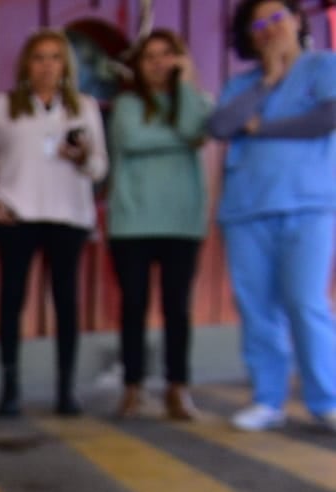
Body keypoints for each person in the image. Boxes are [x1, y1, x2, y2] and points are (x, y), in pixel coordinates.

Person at [207, 0, 336, 432]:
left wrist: (262, 128)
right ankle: (268, 399)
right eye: (258, 24)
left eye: (277, 18)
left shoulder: (323, 66)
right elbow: (222, 125)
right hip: (245, 209)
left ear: (298, 21)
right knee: (258, 309)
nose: (268, 29)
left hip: (309, 203)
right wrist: (269, 82)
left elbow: (327, 116)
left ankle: (326, 399)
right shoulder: (242, 84)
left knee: (305, 301)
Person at [0, 28, 109, 417]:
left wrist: (81, 158)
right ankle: (10, 387)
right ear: (27, 64)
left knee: (66, 302)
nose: (47, 65)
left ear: (66, 64)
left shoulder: (84, 107)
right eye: (39, 57)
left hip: (68, 216)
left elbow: (100, 167)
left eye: (55, 57)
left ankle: (66, 388)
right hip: (18, 216)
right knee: (12, 301)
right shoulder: (4, 106)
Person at [107, 29, 214, 420]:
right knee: (134, 305)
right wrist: (183, 138)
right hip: (132, 221)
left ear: (180, 59)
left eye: (167, 54)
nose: (158, 62)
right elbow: (133, 139)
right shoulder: (127, 104)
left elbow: (192, 129)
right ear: (138, 64)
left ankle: (177, 389)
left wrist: (185, 86)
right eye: (149, 56)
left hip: (182, 222)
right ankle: (132, 388)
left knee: (177, 308)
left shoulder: (198, 101)